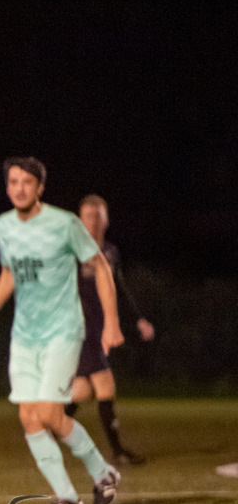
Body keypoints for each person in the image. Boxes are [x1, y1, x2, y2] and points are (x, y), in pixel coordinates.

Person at [0, 157, 124, 504]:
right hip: (25, 336)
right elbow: (9, 272)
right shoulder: (2, 226)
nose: (19, 188)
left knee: (50, 413)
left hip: (63, 330)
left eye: (27, 182)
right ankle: (66, 497)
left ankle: (103, 473)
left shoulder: (64, 223)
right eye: (13, 182)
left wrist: (112, 322)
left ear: (40, 187)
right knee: (29, 417)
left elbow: (100, 266)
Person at [64, 194, 154, 466]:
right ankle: (118, 452)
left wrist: (138, 319)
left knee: (82, 391)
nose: (92, 221)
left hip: (99, 330)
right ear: (80, 220)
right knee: (105, 386)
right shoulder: (71, 251)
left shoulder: (110, 252)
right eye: (88, 216)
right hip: (79, 331)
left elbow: (119, 289)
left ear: (106, 220)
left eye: (97, 216)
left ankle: (47, 424)